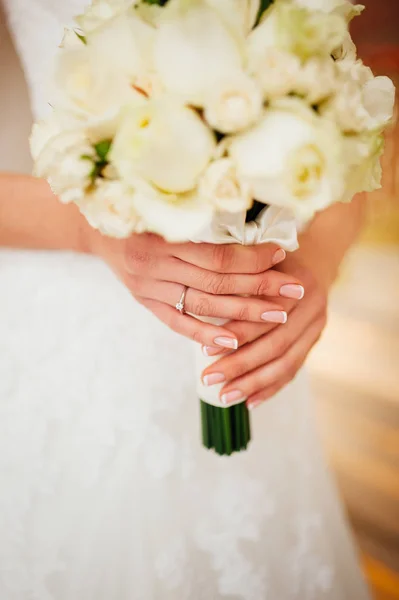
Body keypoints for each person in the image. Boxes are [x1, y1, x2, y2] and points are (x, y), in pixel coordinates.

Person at [0, 1, 371, 598]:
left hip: (257, 339)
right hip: (70, 347)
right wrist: (85, 228)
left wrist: (317, 267)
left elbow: (350, 142)